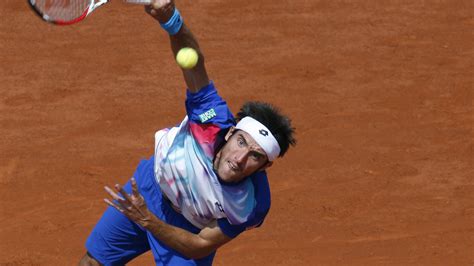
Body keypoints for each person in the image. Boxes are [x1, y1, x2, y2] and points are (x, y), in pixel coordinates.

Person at [79, 0, 296, 265]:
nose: (240, 158)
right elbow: (194, 65)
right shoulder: (212, 119)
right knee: (93, 262)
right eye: (241, 142)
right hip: (151, 189)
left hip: (189, 229)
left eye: (255, 155)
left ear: (265, 166)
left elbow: (199, 246)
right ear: (230, 134)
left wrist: (148, 220)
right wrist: (171, 20)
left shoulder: (252, 203)